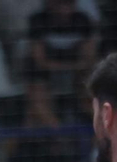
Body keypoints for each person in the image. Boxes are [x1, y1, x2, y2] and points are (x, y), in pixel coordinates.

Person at [24, 0, 98, 130]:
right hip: (44, 73)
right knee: (35, 103)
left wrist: (74, 67)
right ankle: (61, 132)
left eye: (68, 3)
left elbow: (89, 57)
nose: (64, 9)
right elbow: (39, 60)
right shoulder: (38, 20)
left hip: (77, 73)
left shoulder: (83, 20)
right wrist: (67, 67)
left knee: (91, 89)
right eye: (60, 4)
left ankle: (100, 129)